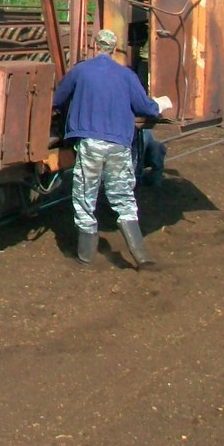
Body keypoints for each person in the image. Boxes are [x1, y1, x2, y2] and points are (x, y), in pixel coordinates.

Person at [53, 28, 166, 268]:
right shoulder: (126, 76)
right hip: (119, 143)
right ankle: (141, 255)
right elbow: (146, 107)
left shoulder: (80, 71)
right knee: (123, 196)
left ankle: (85, 256)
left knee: (85, 195)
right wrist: (161, 105)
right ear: (114, 49)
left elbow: (57, 99)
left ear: (95, 46)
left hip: (90, 143)